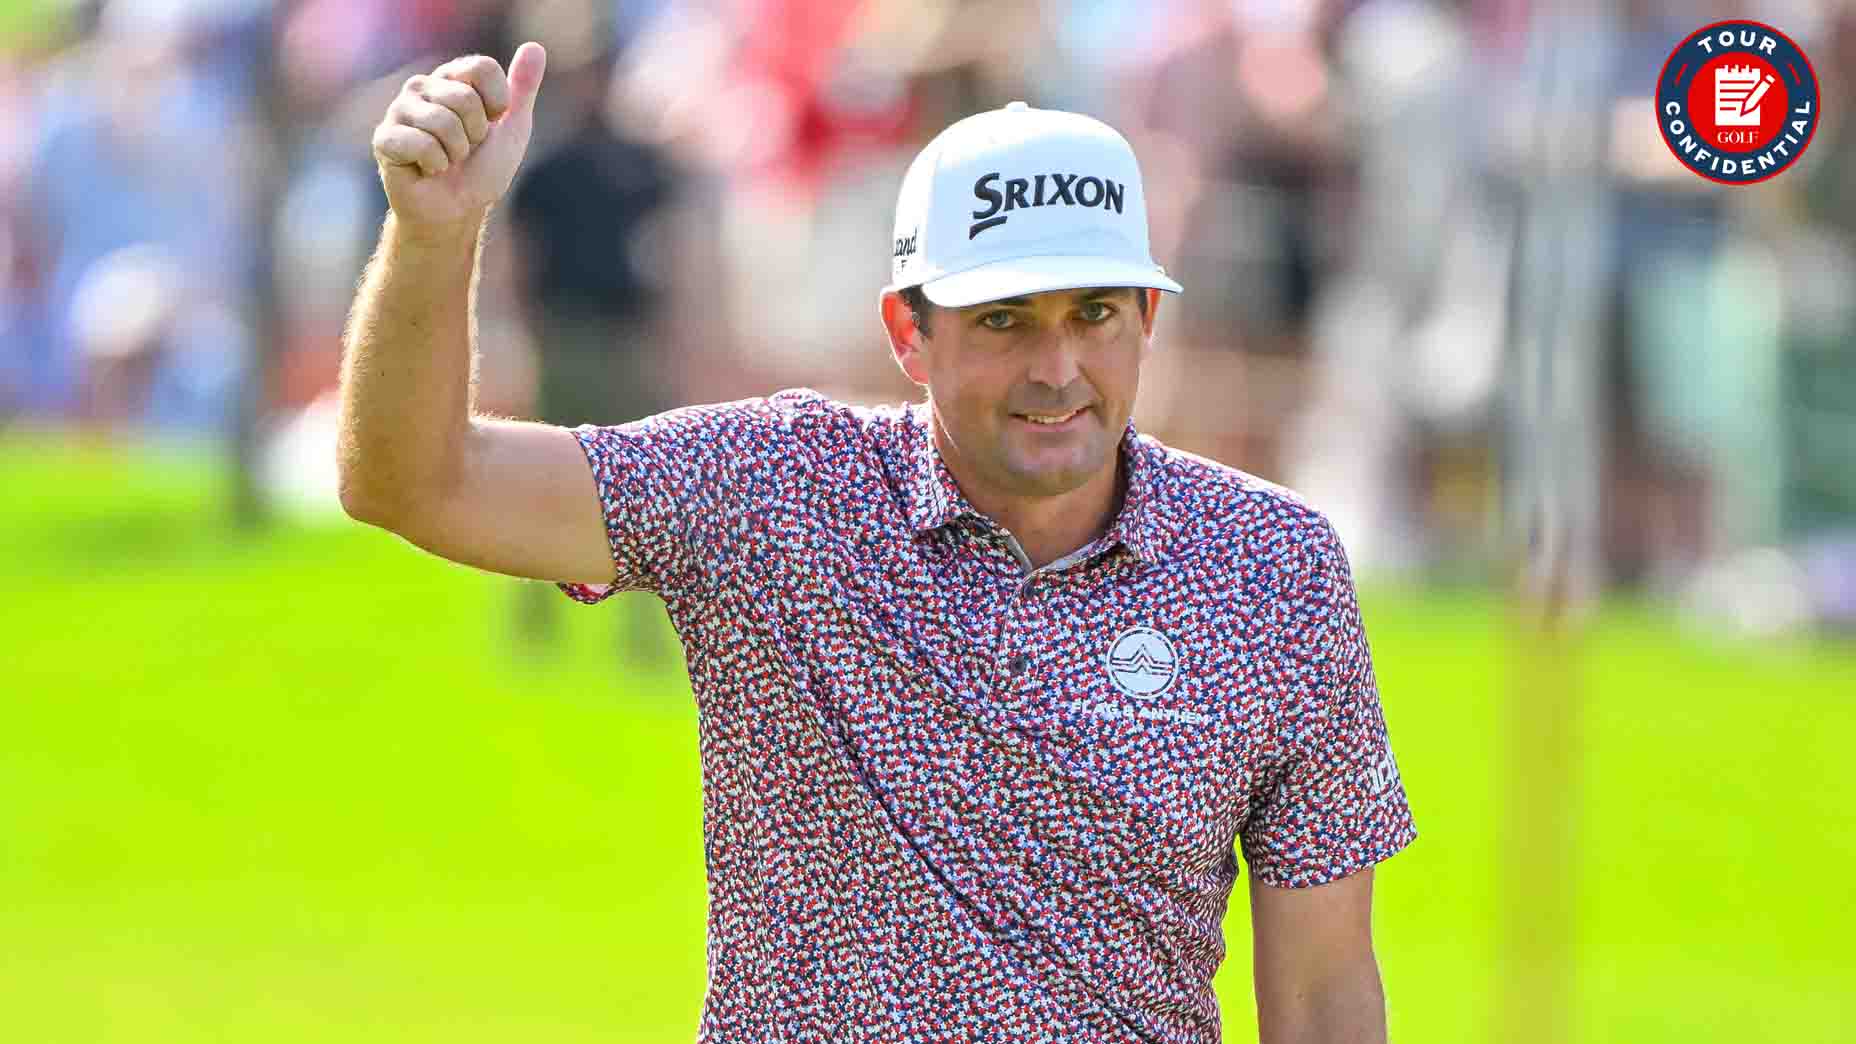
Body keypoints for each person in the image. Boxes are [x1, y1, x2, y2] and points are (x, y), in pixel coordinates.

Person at [341, 43, 1416, 1044]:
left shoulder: (1272, 566)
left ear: (1146, 317)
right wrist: (433, 239)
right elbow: (418, 484)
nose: (1056, 369)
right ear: (910, 334)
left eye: (1093, 315)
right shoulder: (780, 489)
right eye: (1003, 319)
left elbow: (1324, 989)